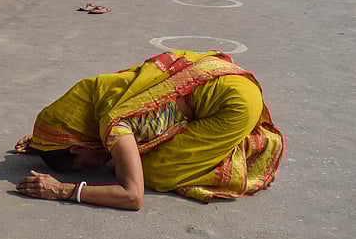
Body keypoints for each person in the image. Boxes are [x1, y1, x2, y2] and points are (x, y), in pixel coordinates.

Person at [14, 50, 284, 210]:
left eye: (84, 163)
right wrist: (44, 141)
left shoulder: (114, 124)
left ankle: (245, 149)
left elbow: (133, 196)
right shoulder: (101, 93)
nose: (95, 163)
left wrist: (63, 190)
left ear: (76, 146)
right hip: (220, 73)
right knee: (142, 154)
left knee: (153, 172)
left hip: (234, 104)